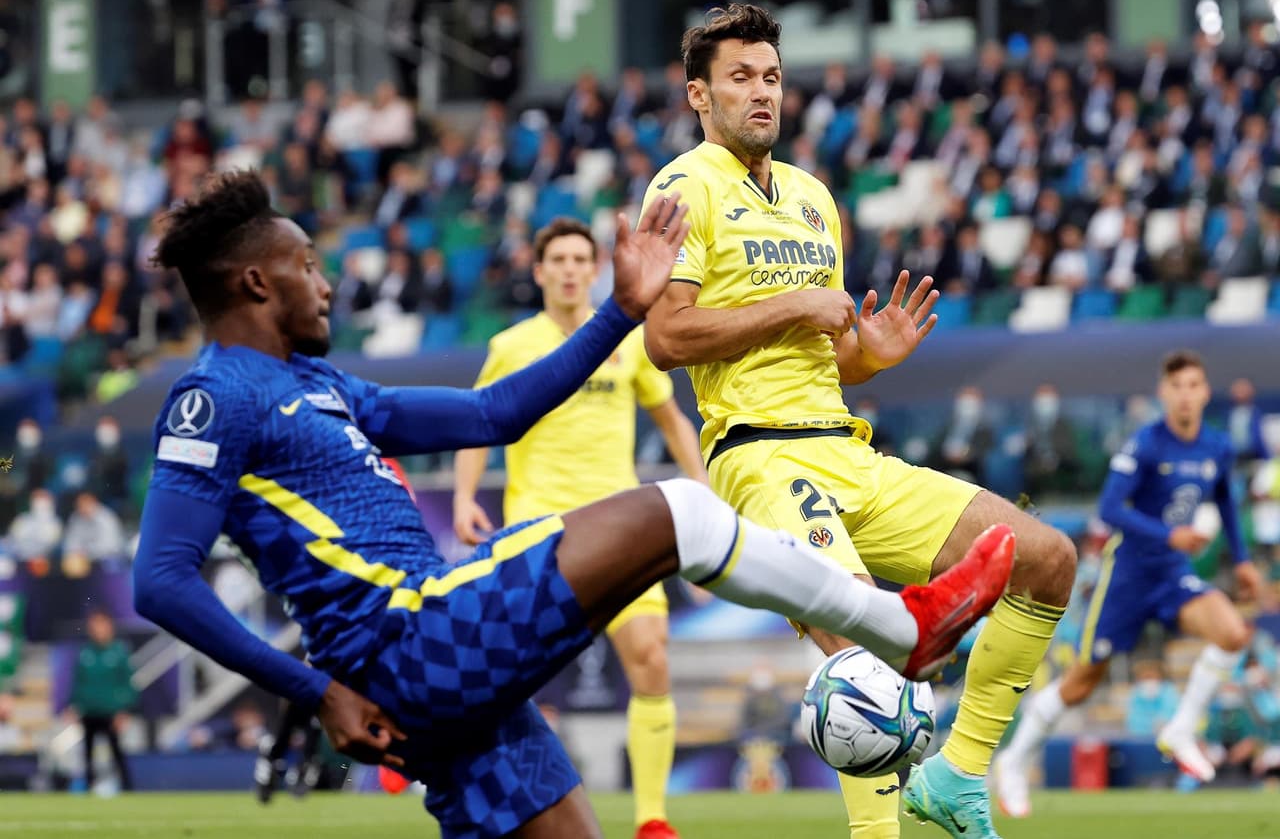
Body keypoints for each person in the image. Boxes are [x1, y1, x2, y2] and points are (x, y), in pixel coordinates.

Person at [131, 170, 1014, 839]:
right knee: (677, 510)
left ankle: (901, 627)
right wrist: (316, 688)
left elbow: (492, 413)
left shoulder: (318, 384)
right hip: (405, 636)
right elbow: (161, 580)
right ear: (254, 283)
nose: (326, 284)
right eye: (307, 266)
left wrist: (620, 313)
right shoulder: (215, 397)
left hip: (440, 679)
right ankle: (902, 628)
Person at [640, 5, 1077, 839]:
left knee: (1047, 560)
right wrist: (795, 301)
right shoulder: (681, 187)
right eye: (740, 78)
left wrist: (869, 358)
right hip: (760, 457)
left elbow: (821, 355)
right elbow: (666, 336)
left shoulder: (812, 198)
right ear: (699, 94)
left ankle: (958, 774)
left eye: (771, 76)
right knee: (867, 640)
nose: (762, 93)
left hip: (846, 448)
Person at [453, 217, 707, 839]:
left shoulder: (625, 340)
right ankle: (502, 806)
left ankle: (652, 820)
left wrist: (701, 485)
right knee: (509, 680)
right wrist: (462, 498)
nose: (569, 269)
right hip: (540, 529)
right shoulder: (512, 346)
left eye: (579, 259)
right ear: (539, 272)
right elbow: (478, 423)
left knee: (651, 657)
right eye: (557, 259)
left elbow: (671, 418)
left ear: (595, 270)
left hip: (621, 526)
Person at [994, 350, 1270, 817]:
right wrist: (1170, 534)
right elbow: (1110, 509)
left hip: (1172, 575)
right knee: (1082, 681)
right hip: (1128, 576)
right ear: (1164, 393)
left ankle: (1181, 728)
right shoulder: (1145, 444)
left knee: (1233, 633)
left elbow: (1225, 500)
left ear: (1205, 392)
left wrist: (1242, 561)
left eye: (1194, 386)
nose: (1185, 395)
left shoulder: (1217, 447)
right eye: (1176, 386)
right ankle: (1014, 761)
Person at [68, 610, 136, 791]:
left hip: (111, 712)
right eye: (94, 625)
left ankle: (127, 787)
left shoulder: (119, 652)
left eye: (101, 624)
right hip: (89, 711)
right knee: (87, 753)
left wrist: (124, 711)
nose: (98, 629)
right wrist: (74, 706)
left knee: (117, 751)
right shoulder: (85, 653)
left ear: (109, 626)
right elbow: (78, 682)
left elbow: (127, 683)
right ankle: (88, 787)